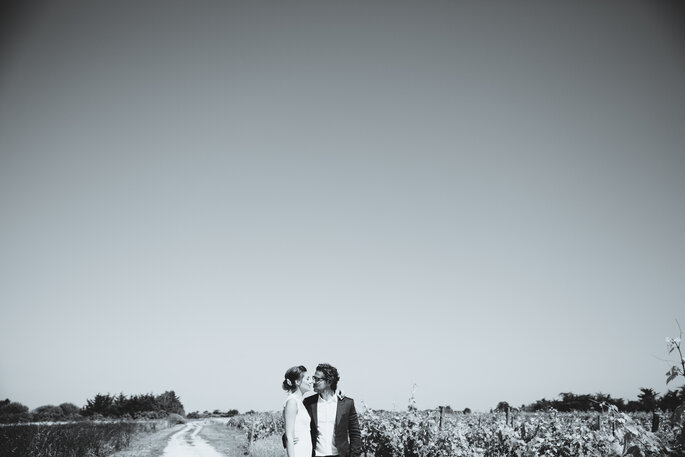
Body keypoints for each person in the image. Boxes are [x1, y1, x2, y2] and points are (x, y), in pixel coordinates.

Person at [303, 363, 362, 457]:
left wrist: (354, 455)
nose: (313, 382)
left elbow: (355, 433)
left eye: (317, 379)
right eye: (314, 378)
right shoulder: (308, 403)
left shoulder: (347, 403)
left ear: (329, 382)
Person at [283, 365, 314, 457]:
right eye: (307, 378)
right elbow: (289, 436)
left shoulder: (300, 402)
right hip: (298, 451)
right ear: (297, 381)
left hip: (306, 451)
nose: (311, 381)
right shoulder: (292, 402)